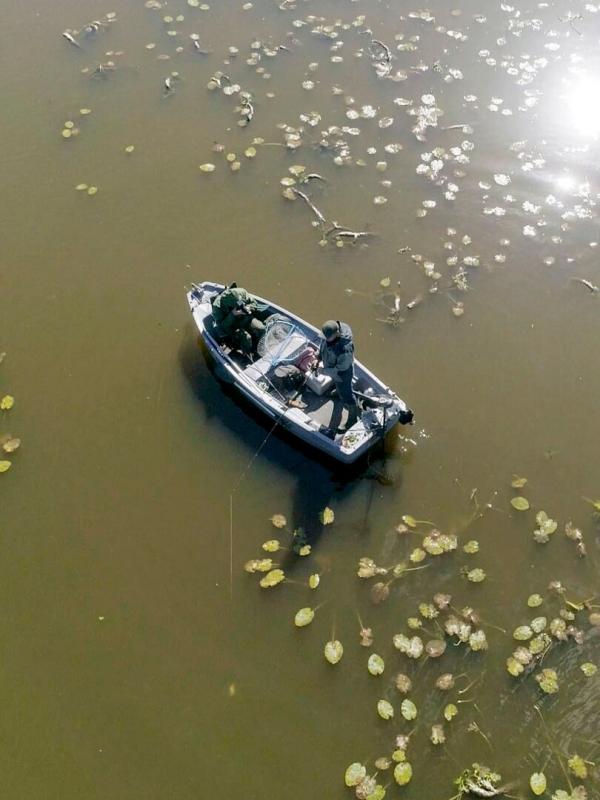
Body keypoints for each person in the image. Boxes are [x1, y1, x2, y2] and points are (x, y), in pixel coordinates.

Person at [319, 319, 360, 430]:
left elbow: (340, 369)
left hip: (343, 373)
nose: (325, 339)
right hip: (333, 368)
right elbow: (323, 344)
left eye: (328, 337)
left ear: (337, 334)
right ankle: (338, 392)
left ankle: (352, 419)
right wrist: (318, 357)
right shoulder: (328, 336)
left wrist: (323, 371)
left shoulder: (344, 350)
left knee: (347, 395)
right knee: (338, 386)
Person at [211, 284, 269, 357]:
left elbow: (254, 303)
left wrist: (248, 307)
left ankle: (261, 346)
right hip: (232, 326)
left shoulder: (241, 292)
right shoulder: (217, 307)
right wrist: (233, 314)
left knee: (261, 328)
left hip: (245, 318)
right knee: (247, 338)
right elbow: (223, 325)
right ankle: (247, 354)